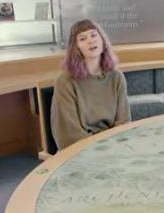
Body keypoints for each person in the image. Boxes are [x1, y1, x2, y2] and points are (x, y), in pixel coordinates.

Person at [51, 19, 130, 150]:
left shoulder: (117, 77)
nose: (90, 41)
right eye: (82, 39)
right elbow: (69, 136)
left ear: (102, 40)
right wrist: (102, 149)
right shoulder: (65, 81)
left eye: (94, 35)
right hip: (79, 151)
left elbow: (123, 123)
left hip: (113, 147)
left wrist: (113, 148)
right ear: (76, 47)